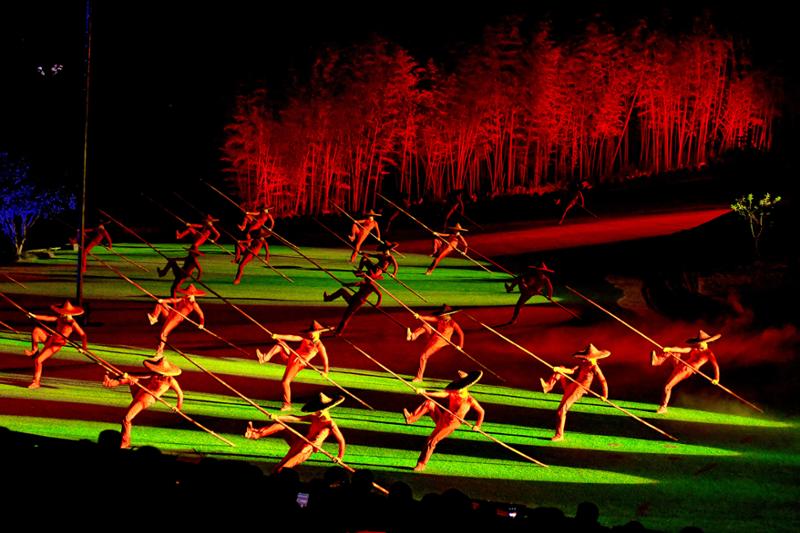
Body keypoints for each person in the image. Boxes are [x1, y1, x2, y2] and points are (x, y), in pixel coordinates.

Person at [402, 370, 484, 471]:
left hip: (451, 424)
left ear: (465, 388)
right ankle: (411, 418)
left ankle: (421, 464)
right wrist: (424, 392)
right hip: (443, 419)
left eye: (459, 387)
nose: (457, 389)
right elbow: (441, 394)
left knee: (431, 441)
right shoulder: (453, 393)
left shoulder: (469, 400)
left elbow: (481, 412)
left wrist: (478, 425)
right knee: (429, 403)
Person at [244, 392, 346, 472]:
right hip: (300, 443)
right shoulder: (314, 417)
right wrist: (277, 417)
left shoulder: (330, 425)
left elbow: (341, 440)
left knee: (282, 469)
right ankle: (255, 434)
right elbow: (296, 418)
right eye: (316, 410)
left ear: (325, 410)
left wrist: (339, 457)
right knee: (281, 426)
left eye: (318, 410)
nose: (316, 412)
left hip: (306, 450)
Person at [102, 358, 184, 449]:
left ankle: (125, 442)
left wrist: (178, 407)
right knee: (132, 379)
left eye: (161, 372)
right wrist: (127, 375)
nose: (158, 374)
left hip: (146, 400)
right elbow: (139, 375)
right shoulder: (154, 374)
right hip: (140, 393)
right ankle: (109, 383)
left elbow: (180, 393)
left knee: (126, 419)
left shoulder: (171, 381)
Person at [255, 321, 331, 411]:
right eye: (310, 332)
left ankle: (287, 404)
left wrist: (325, 372)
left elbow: (325, 359)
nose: (311, 334)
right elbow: (292, 337)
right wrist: (277, 336)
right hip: (291, 357)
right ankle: (265, 358)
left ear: (319, 333)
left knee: (285, 382)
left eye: (314, 332)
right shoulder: (305, 339)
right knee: (280, 344)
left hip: (298, 363)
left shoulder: (320, 346)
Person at [540, 343, 609, 441]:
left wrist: (605, 396)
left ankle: (559, 435)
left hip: (580, 389)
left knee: (561, 411)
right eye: (585, 358)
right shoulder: (583, 364)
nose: (585, 360)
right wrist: (559, 369)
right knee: (561, 368)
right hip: (573, 385)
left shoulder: (595, 368)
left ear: (594, 358)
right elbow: (571, 371)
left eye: (587, 358)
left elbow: (603, 381)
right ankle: (548, 386)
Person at [650, 330, 721, 414]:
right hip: (680, 366)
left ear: (706, 342)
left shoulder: (708, 353)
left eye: (700, 343)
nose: (698, 344)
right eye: (698, 343)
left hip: (686, 369)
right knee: (674, 351)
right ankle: (657, 361)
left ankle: (663, 407)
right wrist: (670, 348)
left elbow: (715, 366)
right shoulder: (694, 349)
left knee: (667, 387)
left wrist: (716, 379)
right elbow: (682, 349)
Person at [24, 300, 88, 389]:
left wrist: (84, 348)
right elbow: (47, 318)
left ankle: (36, 382)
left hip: (56, 344)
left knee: (38, 360)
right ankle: (35, 350)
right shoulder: (61, 318)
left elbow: (83, 335)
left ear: (69, 314)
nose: (61, 314)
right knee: (36, 331)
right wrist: (34, 316)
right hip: (51, 339)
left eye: (63, 313)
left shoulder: (72, 323)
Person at [406, 304, 464, 382]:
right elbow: (430, 318)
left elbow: (461, 333)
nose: (441, 316)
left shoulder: (453, 323)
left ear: (448, 314)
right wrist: (419, 316)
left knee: (423, 356)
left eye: (443, 314)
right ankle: (413, 336)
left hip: (440, 342)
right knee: (426, 325)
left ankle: (419, 377)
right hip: (433, 338)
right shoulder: (440, 319)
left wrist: (460, 346)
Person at [147, 284, 205, 358]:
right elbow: (173, 300)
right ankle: (154, 318)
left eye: (189, 294)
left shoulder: (194, 304)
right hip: (171, 314)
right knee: (160, 304)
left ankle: (160, 352)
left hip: (176, 319)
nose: (187, 295)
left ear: (193, 295)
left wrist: (201, 323)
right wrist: (163, 300)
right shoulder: (184, 299)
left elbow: (201, 314)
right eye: (187, 293)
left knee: (163, 334)